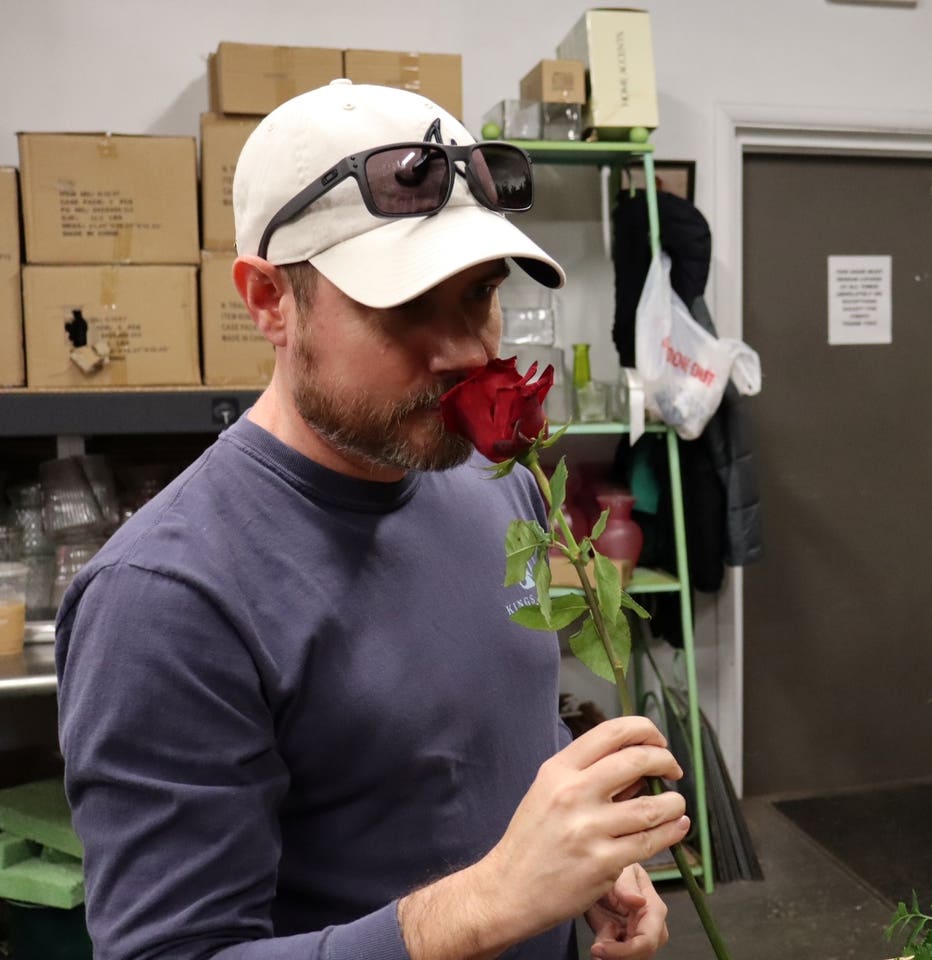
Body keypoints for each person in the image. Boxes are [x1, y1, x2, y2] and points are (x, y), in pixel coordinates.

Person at [53, 79, 689, 960]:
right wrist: (491, 901)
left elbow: (494, 727)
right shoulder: (167, 598)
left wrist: (582, 861)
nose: (469, 352)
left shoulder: (491, 482)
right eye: (402, 309)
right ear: (270, 301)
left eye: (477, 294)